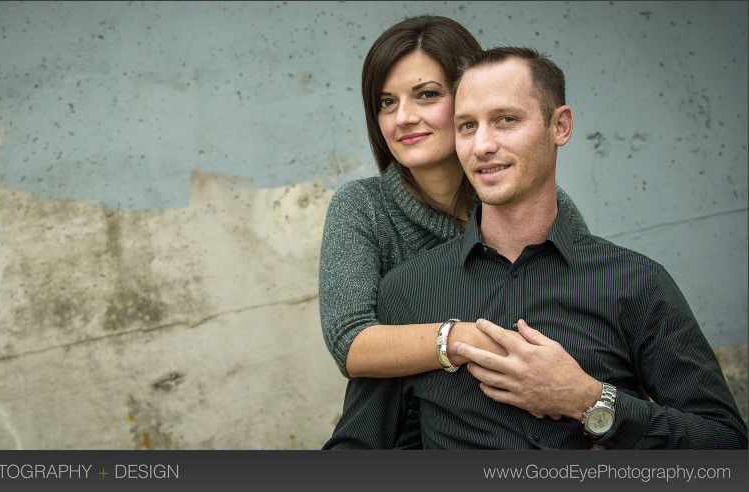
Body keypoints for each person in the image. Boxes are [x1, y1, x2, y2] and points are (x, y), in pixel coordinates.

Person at [374, 46, 748, 449]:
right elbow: (361, 447)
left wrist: (587, 400)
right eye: (467, 126)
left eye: (505, 120)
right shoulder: (406, 291)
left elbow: (727, 445)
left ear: (560, 126)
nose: (481, 145)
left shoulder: (637, 282)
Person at [319, 16, 589, 449]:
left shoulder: (540, 203)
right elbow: (351, 343)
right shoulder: (363, 207)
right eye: (386, 102)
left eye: (426, 95)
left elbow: (589, 318)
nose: (404, 117)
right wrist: (462, 338)